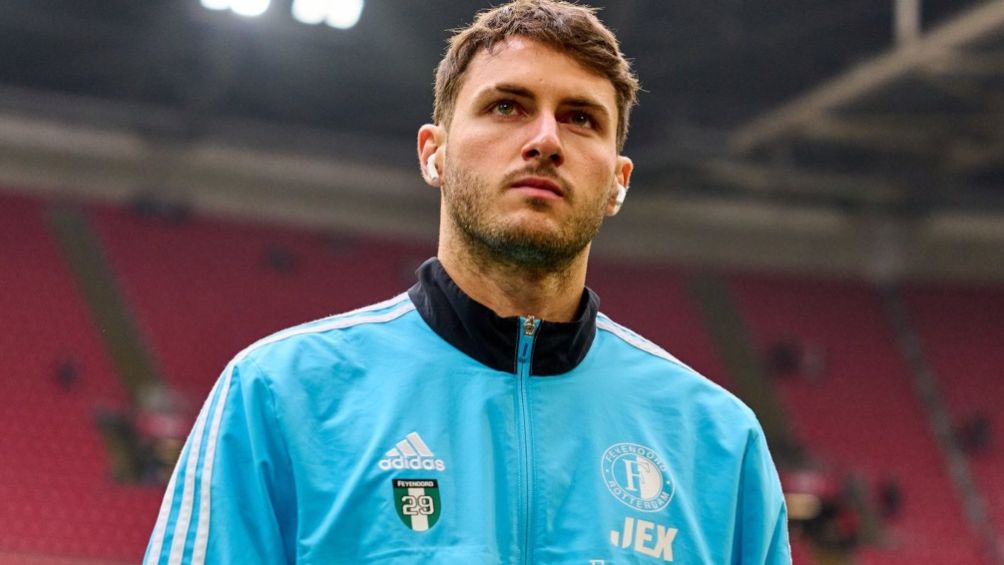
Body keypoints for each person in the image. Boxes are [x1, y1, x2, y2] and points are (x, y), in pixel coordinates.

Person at [144, 1, 791, 563]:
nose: (545, 140)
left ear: (618, 181)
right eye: (507, 106)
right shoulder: (280, 395)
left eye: (580, 118)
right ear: (435, 152)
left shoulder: (718, 443)